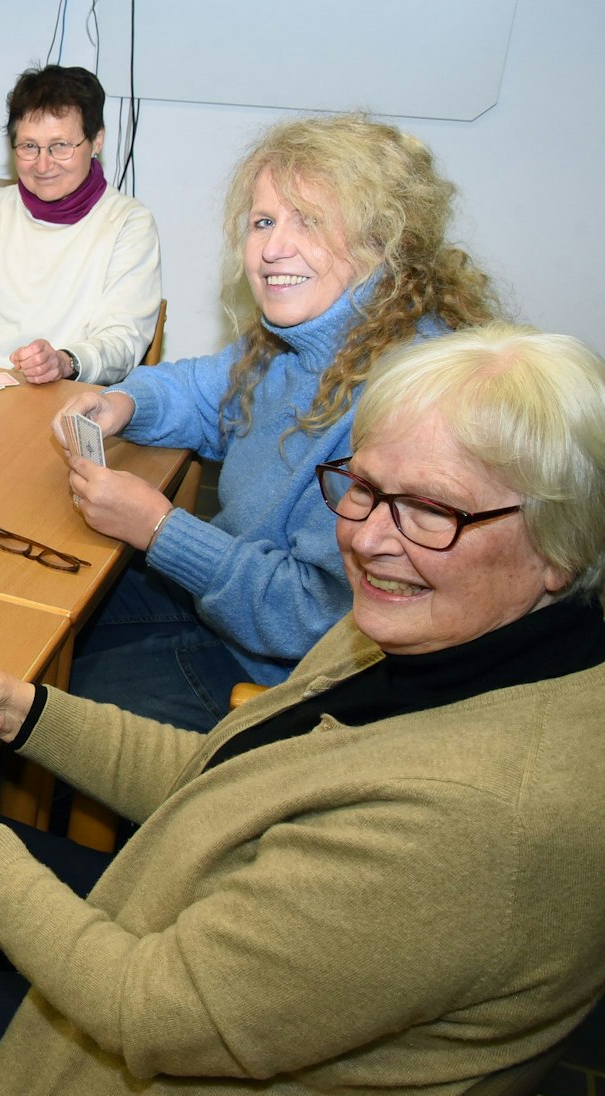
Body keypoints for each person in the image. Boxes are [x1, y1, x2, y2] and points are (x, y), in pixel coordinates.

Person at [0, 325, 605, 1096]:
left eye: (432, 510)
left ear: (563, 545)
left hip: (154, 1079)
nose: (368, 539)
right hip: (204, 933)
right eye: (359, 487)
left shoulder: (476, 818)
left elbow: (146, 1010)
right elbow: (228, 768)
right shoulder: (466, 635)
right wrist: (22, 709)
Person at [51, 113, 499, 729]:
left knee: (51, 686)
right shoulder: (305, 338)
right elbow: (210, 391)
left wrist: (160, 528)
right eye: (264, 221)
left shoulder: (406, 404)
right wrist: (127, 402)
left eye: (309, 222)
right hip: (229, 609)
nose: (271, 248)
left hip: (287, 686)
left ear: (381, 239)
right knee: (45, 613)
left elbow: (318, 615)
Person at [0, 65, 161, 385]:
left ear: (96, 140)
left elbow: (121, 340)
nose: (44, 164)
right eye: (29, 146)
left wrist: (65, 361)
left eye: (60, 146)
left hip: (70, 394)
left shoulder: (128, 224)